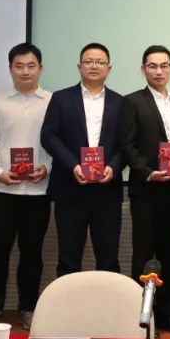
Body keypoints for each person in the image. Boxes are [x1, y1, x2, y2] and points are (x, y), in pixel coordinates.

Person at [0, 42, 53, 333]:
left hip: (39, 191)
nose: (25, 71)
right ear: (10, 69)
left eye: (31, 65)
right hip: (2, 192)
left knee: (32, 255)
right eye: (19, 66)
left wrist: (46, 168)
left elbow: (57, 141)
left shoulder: (52, 101)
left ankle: (28, 308)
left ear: (40, 68)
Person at [119, 45, 170, 336]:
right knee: (143, 256)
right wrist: (148, 172)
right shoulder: (132, 102)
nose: (158, 71)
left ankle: (166, 315)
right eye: (152, 66)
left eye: (164, 66)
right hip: (146, 190)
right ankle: (142, 319)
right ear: (143, 69)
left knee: (169, 257)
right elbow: (127, 145)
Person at [40, 42, 125, 276]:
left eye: (100, 62)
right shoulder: (61, 98)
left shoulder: (120, 102)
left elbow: (126, 143)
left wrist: (113, 167)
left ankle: (107, 301)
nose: (94, 66)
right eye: (88, 61)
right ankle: (69, 302)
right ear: (79, 66)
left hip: (107, 192)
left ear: (109, 68)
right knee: (68, 259)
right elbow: (49, 136)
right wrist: (73, 166)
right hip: (70, 189)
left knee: (108, 260)